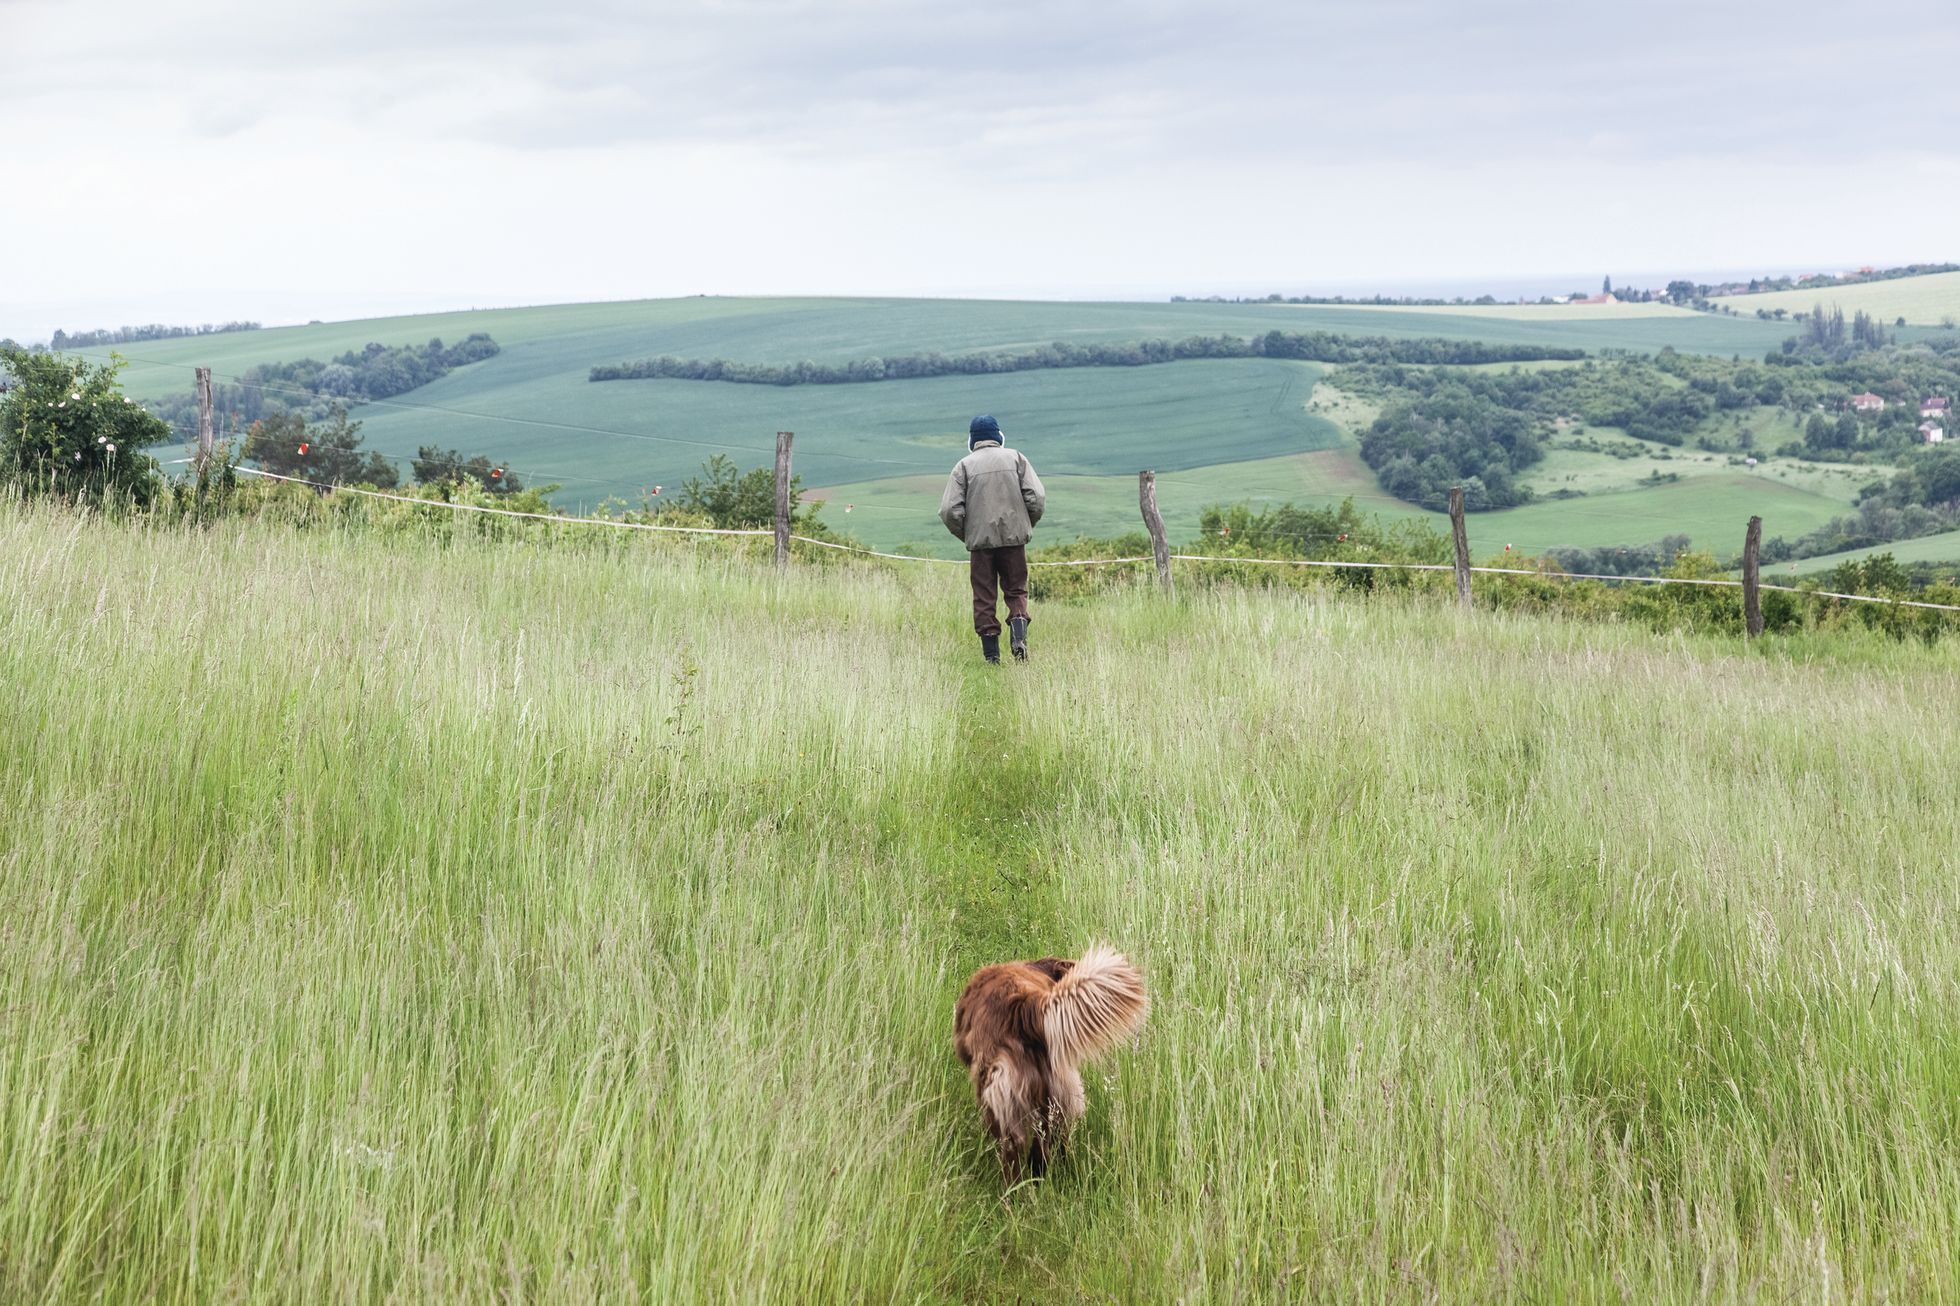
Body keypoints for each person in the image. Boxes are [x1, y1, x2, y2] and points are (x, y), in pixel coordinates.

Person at [938, 414, 1046, 663]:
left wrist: (967, 533)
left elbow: (948, 510)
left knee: (984, 595)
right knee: (1016, 589)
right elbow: (1037, 498)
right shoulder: (1017, 458)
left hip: (980, 544)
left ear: (972, 440)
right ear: (999, 436)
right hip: (1014, 539)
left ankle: (991, 657)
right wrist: (1025, 524)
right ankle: (1019, 636)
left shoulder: (963, 466)